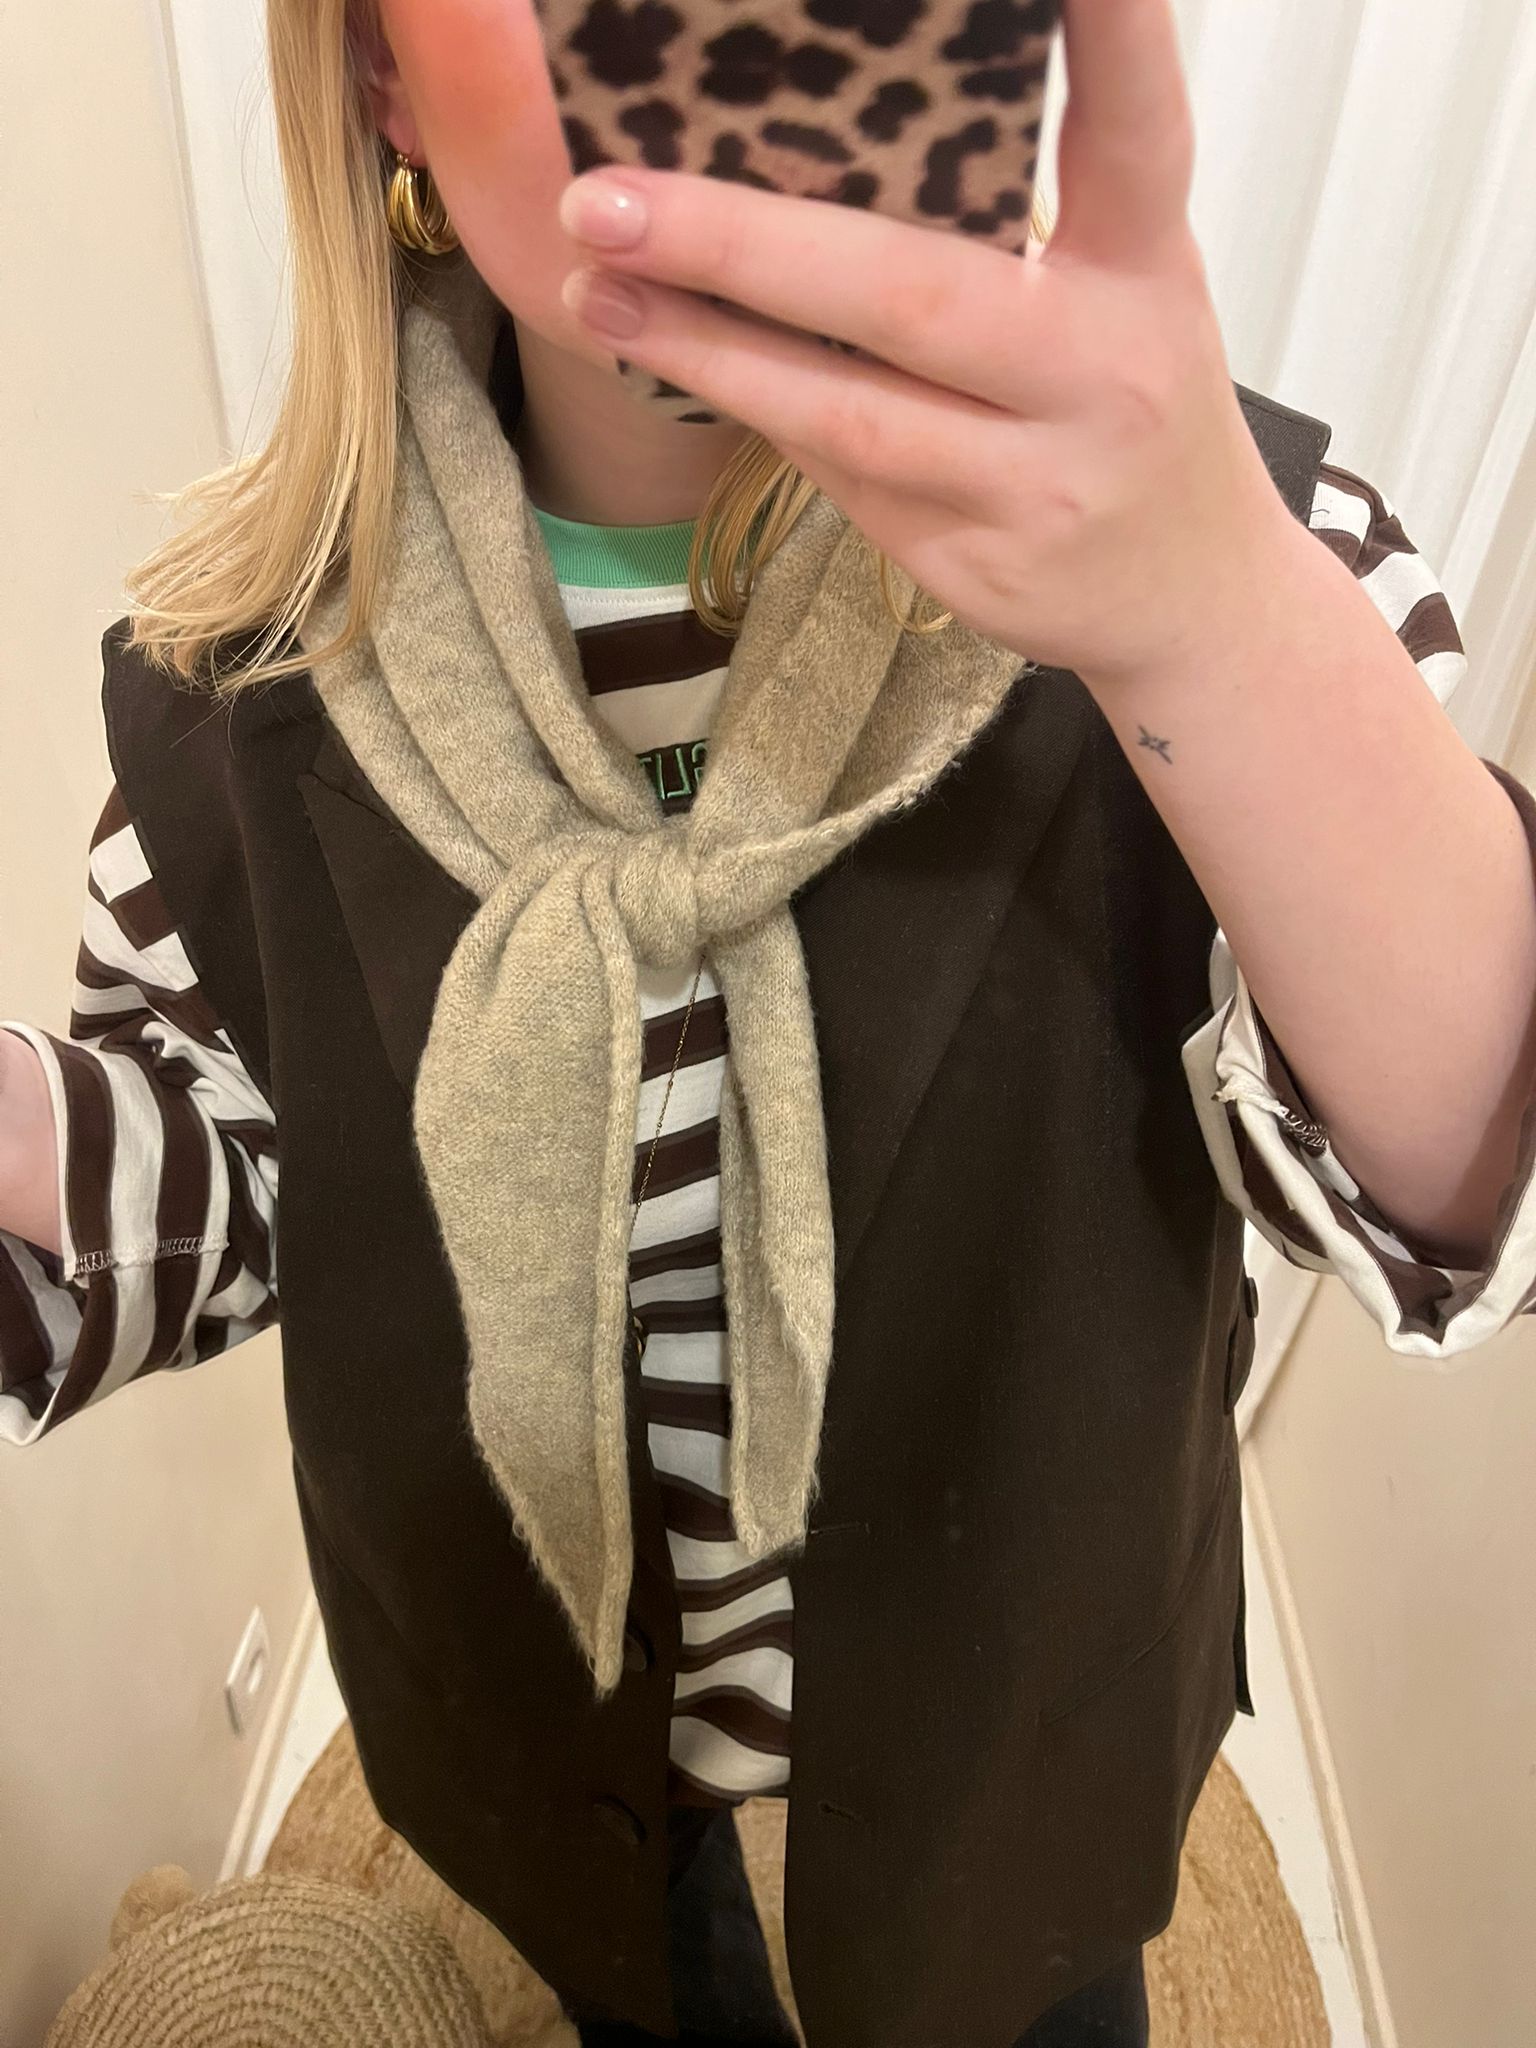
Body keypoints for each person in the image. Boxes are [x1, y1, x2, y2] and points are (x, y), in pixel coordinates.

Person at [5, 1, 1536, 2044]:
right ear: (378, 70)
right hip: (559, 1715)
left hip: (1030, 1705)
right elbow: (254, 1172)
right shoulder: (233, 699)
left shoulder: (1227, 579)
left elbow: (1463, 1182)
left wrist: (1209, 617)